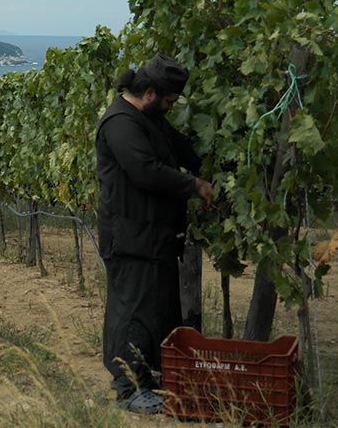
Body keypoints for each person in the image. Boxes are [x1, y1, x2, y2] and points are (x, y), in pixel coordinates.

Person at [94, 53, 213, 414]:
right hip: (130, 236)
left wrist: (214, 163)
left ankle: (148, 379)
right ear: (149, 93)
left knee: (155, 311)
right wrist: (194, 185)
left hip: (154, 235)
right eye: (169, 101)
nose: (171, 108)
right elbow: (145, 171)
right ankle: (129, 389)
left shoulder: (151, 119)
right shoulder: (120, 123)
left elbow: (180, 148)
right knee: (131, 313)